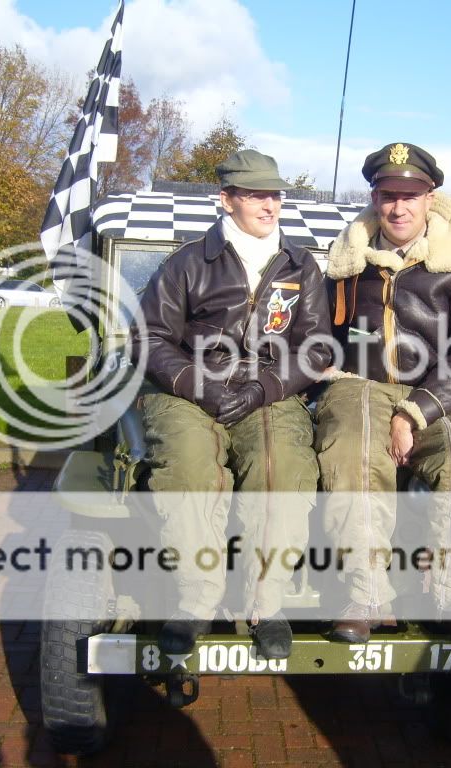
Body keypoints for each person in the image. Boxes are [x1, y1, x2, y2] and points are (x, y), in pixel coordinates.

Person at [132, 149, 331, 659]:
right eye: (256, 194)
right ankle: (197, 599)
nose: (270, 204)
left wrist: (262, 388)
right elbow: (150, 336)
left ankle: (266, 603)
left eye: (275, 194)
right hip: (188, 388)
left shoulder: (300, 264)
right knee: (189, 470)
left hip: (269, 390)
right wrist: (198, 384)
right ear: (227, 199)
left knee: (282, 469)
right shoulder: (188, 262)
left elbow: (316, 346)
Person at [316, 142, 451, 646]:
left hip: (438, 391)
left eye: (411, 195)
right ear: (374, 198)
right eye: (387, 195)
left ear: (430, 198)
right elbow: (315, 332)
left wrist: (414, 412)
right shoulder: (347, 259)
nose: (398, 207)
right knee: (350, 455)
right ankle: (364, 593)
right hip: (357, 384)